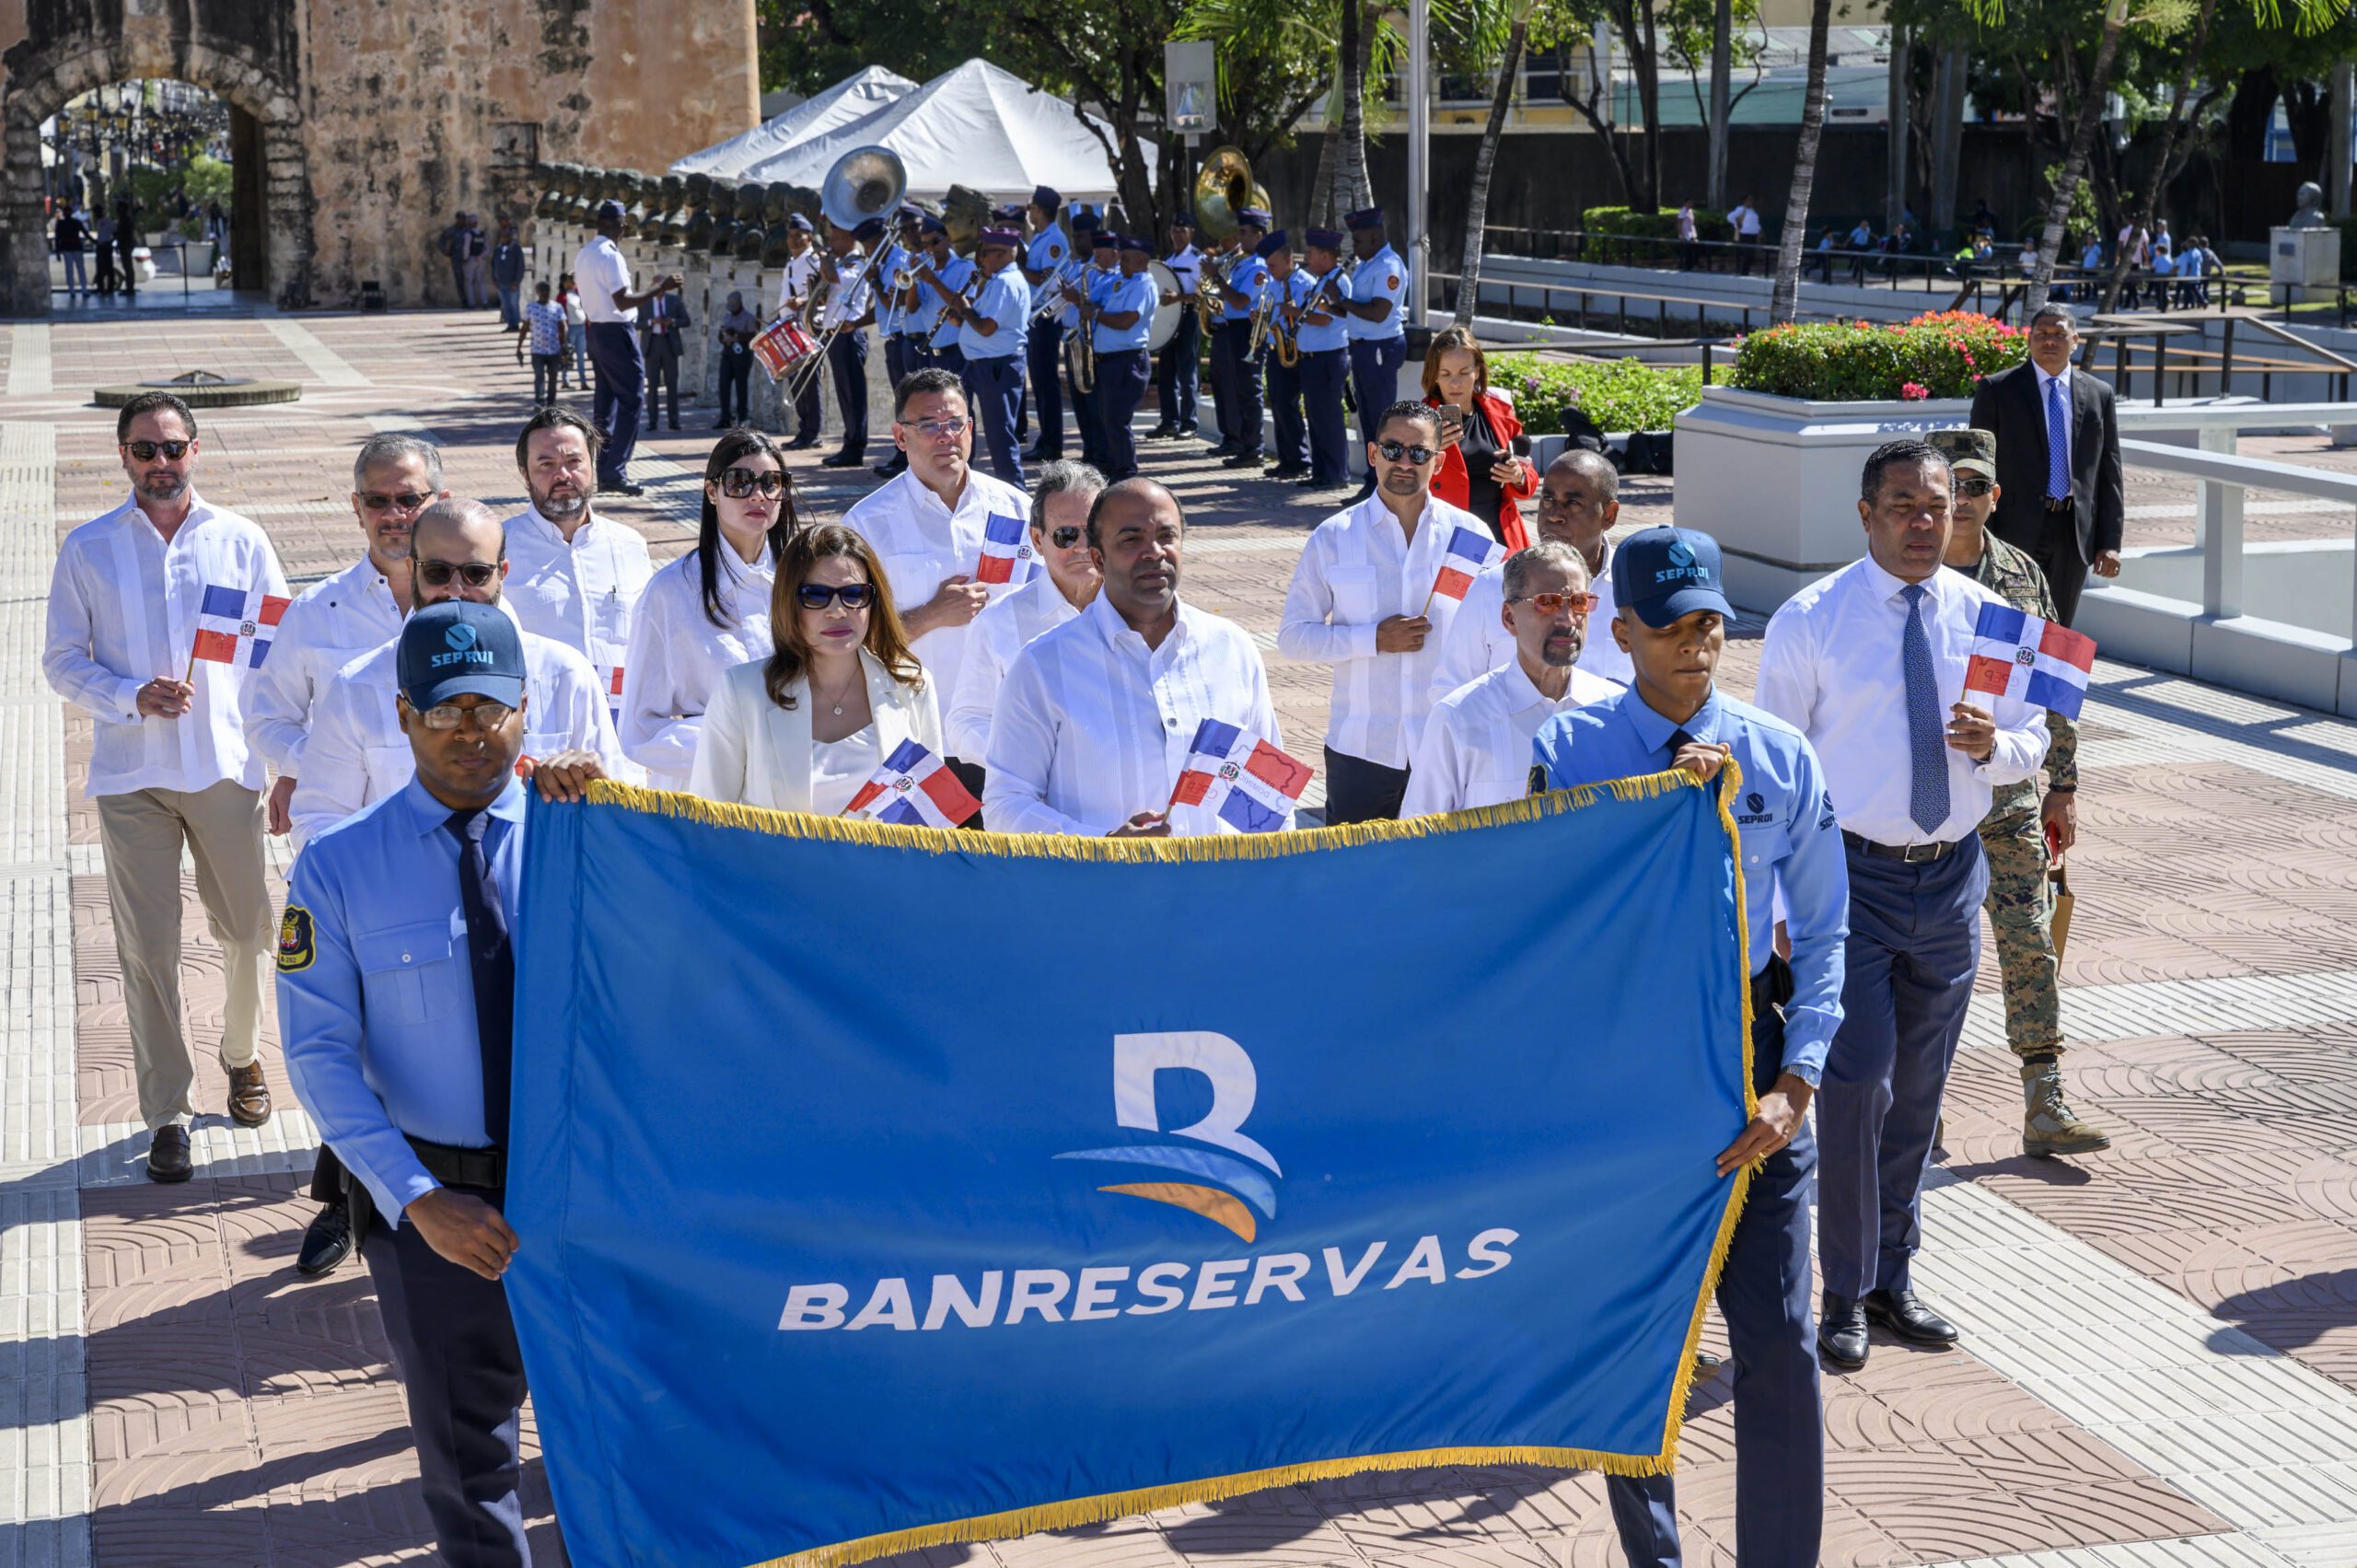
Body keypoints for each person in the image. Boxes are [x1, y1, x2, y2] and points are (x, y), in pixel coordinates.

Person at [1533, 524, 1847, 1568]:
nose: (1695, 641)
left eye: (1709, 619)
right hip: (1628, 1066)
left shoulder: (1779, 753)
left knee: (1779, 1341)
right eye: (1670, 624)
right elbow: (1551, 920)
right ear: (1619, 629)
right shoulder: (1568, 754)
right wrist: (1665, 805)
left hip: (1752, 1050)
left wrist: (1796, 1080)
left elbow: (1828, 928)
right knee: (1637, 1353)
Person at [278, 598, 609, 1568]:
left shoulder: (584, 835)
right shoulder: (337, 869)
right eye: (446, 705)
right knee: (472, 1470)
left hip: (585, 1192)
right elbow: (319, 1056)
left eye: (492, 705)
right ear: (403, 713)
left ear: (525, 711)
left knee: (617, 1438)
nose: (472, 727)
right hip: (439, 1210)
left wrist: (617, 810)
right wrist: (419, 1201)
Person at [1754, 438, 2050, 1372]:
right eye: (1903, 506)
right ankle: (1840, 1288)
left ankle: (1892, 1274)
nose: (1925, 523)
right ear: (1865, 514)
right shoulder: (1811, 619)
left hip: (1951, 871)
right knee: (1857, 1081)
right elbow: (1773, 770)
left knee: (1917, 1094)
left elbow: (2036, 734)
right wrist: (1772, 902)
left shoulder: (1992, 616)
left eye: (1940, 505)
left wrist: (1994, 745)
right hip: (1847, 880)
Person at [42, 390, 283, 1183]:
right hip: (133, 774)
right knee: (147, 951)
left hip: (223, 766)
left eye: (173, 448)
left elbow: (280, 646)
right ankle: (167, 1111)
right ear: (122, 457)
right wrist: (128, 694)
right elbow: (61, 659)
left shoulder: (241, 539)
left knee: (249, 932)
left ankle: (242, 1056)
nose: (161, 463)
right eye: (144, 450)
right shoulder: (88, 547)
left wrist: (282, 760)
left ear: (196, 450)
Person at [1928, 428, 2111, 1159]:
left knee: (2030, 943)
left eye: (1977, 488)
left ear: (1995, 497)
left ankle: (2045, 1098)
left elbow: (2056, 688)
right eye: (1954, 489)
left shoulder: (2024, 576)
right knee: (1932, 960)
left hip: (2006, 800)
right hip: (1930, 807)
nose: (1965, 502)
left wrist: (2062, 785)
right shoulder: (1904, 578)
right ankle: (1919, 1101)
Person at [290, 498, 623, 847]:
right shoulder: (356, 685)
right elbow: (318, 819)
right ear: (411, 569)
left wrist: (594, 787)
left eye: (476, 573)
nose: (455, 589)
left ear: (502, 573)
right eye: (437, 572)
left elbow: (621, 810)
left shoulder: (565, 673)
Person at [987, 478, 1286, 837]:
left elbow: (1269, 798)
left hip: (1220, 887)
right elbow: (1005, 804)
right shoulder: (1042, 666)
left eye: (1166, 536)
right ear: (1098, 558)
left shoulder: (1231, 649)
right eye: (1131, 540)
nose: (1154, 552)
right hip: (1104, 888)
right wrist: (1103, 846)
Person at [1279, 401, 1491, 824]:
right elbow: (1293, 638)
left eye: (1419, 453)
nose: (1405, 463)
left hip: (1448, 744)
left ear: (1439, 460)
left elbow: (1495, 635)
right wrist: (1373, 639)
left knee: (1444, 876)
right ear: (1374, 454)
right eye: (1393, 450)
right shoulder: (1334, 536)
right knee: (1354, 880)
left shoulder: (1469, 536)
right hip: (1363, 748)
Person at [842, 367, 1036, 800]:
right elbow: (843, 639)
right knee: (926, 861)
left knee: (1009, 860)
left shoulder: (1018, 510)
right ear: (899, 436)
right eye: (928, 425)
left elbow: (1051, 611)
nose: (945, 436)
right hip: (915, 739)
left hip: (1005, 737)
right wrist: (930, 615)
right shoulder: (867, 524)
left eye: (955, 424)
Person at [690, 525, 943, 813]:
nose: (837, 611)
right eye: (816, 595)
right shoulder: (741, 691)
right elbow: (707, 818)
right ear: (788, 602)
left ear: (873, 602)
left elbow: (929, 821)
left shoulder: (912, 684)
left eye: (854, 594)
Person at [621, 430, 795, 790]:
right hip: (704, 789)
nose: (757, 495)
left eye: (771, 483)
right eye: (739, 482)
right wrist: (736, 746)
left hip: (796, 783)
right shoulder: (669, 592)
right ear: (712, 491)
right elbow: (639, 728)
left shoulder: (803, 582)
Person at [1401, 541, 1619, 816]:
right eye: (1547, 603)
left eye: (1579, 602)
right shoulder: (1458, 719)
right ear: (1509, 618)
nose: (1567, 619)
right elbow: (1418, 837)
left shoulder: (1613, 711)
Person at [1427, 447, 1635, 701]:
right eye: (1548, 499)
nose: (1555, 515)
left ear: (1610, 515)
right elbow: (1450, 690)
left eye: (1573, 502)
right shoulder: (1493, 585)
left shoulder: (1636, 589)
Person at [1966, 306, 2123, 626]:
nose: (2049, 341)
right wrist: (1976, 531)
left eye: (2058, 334)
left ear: (2075, 340)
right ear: (2030, 340)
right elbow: (1978, 466)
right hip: (2013, 529)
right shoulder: (1998, 390)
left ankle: (2049, 679)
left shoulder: (2098, 394)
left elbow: (2110, 472)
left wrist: (2110, 543)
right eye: (2042, 335)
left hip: (2073, 532)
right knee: (2011, 623)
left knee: (2059, 629)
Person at [502, 406, 655, 720]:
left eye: (574, 462)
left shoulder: (629, 546)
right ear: (524, 473)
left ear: (592, 463)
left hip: (623, 725)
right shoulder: (499, 548)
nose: (563, 475)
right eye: (546, 464)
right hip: (539, 727)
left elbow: (651, 640)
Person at [946, 460, 1105, 762]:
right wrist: (1028, 756)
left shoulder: (1145, 613)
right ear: (1037, 540)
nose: (1083, 547)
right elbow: (965, 723)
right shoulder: (999, 621)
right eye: (1066, 535)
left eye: (1094, 533)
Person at [574, 199, 681, 497]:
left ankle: (604, 469)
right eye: (623, 223)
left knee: (605, 403)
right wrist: (661, 288)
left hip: (596, 329)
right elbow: (622, 301)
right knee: (633, 398)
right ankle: (614, 471)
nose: (623, 229)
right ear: (616, 224)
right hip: (616, 330)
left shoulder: (584, 254)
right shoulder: (610, 256)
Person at [1421, 325, 1538, 550]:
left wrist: (1518, 475)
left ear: (1477, 371)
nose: (1455, 383)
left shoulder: (1500, 412)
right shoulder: (1418, 420)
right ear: (1434, 375)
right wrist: (1428, 454)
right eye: (1445, 374)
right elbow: (1399, 480)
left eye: (1464, 373)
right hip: (1446, 537)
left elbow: (1529, 478)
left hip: (1501, 535)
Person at [945, 228, 1032, 487]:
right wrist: (961, 318)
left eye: (985, 254)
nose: (981, 260)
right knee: (972, 428)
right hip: (983, 364)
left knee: (1000, 436)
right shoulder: (998, 281)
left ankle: (1014, 493)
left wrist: (965, 309)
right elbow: (981, 324)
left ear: (1003, 253)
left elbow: (987, 327)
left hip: (997, 366)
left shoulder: (1006, 282)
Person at [1084, 234, 1159, 482]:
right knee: (1108, 419)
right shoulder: (1125, 282)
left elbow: (1127, 320)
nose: (1122, 263)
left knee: (1117, 421)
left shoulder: (1144, 285)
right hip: (1110, 361)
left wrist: (1095, 314)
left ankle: (1126, 473)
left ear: (1140, 260)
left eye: (1126, 259)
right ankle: (1113, 468)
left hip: (1127, 361)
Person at [1341, 208, 1410, 476]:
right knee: (1368, 421)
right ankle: (1373, 482)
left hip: (1380, 347)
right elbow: (1359, 309)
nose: (1355, 248)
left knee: (1381, 421)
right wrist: (1334, 305)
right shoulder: (1368, 264)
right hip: (1364, 347)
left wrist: (1343, 300)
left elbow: (1378, 312)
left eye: (1358, 241)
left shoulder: (1388, 266)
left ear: (1374, 235)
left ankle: (1383, 481)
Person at [1202, 208, 1272, 468]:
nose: (1239, 238)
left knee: (1249, 390)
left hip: (1247, 330)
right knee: (1238, 389)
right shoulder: (1243, 263)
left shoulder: (1258, 267)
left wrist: (1217, 277)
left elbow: (1241, 300)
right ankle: (1243, 445)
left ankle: (1253, 449)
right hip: (1234, 328)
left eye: (1244, 232)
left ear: (1259, 234)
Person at [1292, 228, 1355, 492]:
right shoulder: (1322, 280)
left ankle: (1337, 473)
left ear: (1326, 256)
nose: (1307, 256)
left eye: (1312, 252)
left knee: (1329, 417)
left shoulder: (1337, 282)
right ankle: (1321, 471)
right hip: (1313, 359)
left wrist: (1294, 312)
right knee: (1316, 417)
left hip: (1329, 358)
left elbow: (1326, 317)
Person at [817, 218, 878, 470]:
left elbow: (831, 276)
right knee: (844, 393)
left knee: (854, 394)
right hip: (835, 333)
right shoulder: (843, 262)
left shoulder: (857, 263)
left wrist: (824, 257)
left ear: (849, 239)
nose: (832, 243)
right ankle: (849, 443)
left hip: (850, 334)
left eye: (836, 238)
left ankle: (856, 446)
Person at [1019, 187, 1074, 463]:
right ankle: (1046, 439)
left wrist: (1020, 267)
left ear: (1039, 210)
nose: (1029, 212)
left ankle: (1052, 443)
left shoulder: (1054, 240)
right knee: (1040, 383)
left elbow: (1048, 279)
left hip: (1046, 318)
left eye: (1031, 207)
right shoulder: (1042, 237)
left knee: (1045, 383)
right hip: (1036, 318)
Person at [1065, 226, 1120, 470]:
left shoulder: (1117, 280)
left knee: (1100, 409)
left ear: (1114, 255)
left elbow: (1103, 307)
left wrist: (1077, 299)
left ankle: (1103, 457)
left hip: (1103, 349)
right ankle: (1091, 450)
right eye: (1095, 254)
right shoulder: (1095, 274)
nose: (1095, 259)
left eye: (1101, 254)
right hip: (1087, 345)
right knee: (1083, 403)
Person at [1260, 232, 1312, 481]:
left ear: (1288, 260)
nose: (1270, 271)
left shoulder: (1303, 283)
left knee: (1290, 407)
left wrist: (1293, 312)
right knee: (1279, 406)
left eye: (1273, 265)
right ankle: (1286, 459)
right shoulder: (1275, 284)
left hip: (1294, 352)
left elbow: (1306, 317)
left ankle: (1300, 460)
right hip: (1276, 350)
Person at [1147, 210, 1202, 441]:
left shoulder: (1198, 259)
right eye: (1174, 230)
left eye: (1182, 231)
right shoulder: (1168, 260)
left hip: (1188, 317)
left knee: (1187, 372)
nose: (1178, 235)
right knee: (1167, 372)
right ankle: (1169, 420)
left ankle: (1189, 422)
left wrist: (1178, 298)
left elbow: (1201, 296)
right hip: (1169, 319)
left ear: (1191, 233)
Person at [776, 214, 826, 449]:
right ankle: (804, 429)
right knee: (797, 382)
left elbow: (825, 291)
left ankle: (812, 431)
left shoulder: (813, 260)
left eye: (799, 236)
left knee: (808, 381)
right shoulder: (792, 261)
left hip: (806, 326)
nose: (794, 240)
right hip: (790, 329)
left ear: (810, 237)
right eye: (790, 236)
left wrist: (802, 301)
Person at [908, 216, 974, 378]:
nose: (930, 249)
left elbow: (964, 306)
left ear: (948, 239)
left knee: (961, 403)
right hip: (932, 351)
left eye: (935, 242)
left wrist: (933, 281)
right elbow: (911, 308)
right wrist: (913, 280)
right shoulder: (924, 269)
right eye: (925, 245)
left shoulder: (965, 267)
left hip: (958, 350)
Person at [640, 285, 690, 433]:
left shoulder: (674, 301)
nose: (660, 289)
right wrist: (651, 322)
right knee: (652, 385)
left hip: (669, 344)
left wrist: (672, 321)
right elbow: (637, 323)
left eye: (663, 285)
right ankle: (652, 421)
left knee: (672, 385)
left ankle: (674, 421)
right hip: (652, 345)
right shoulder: (645, 302)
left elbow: (686, 320)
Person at [713, 289, 760, 427]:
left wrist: (737, 336)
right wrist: (724, 337)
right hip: (728, 352)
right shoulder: (727, 317)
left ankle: (741, 417)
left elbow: (752, 337)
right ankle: (725, 417)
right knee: (723, 385)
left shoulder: (748, 318)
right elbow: (720, 336)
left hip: (743, 354)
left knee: (741, 386)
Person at [518, 281, 567, 404]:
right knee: (539, 376)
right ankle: (539, 401)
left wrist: (564, 346)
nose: (545, 293)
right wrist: (519, 347)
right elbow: (524, 328)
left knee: (553, 377)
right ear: (537, 292)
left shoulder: (557, 307)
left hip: (554, 349)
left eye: (547, 291)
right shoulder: (531, 308)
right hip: (537, 349)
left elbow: (563, 327)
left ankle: (551, 402)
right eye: (542, 291)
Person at [491, 219, 527, 332]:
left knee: (514, 304)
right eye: (502, 236)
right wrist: (494, 279)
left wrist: (516, 282)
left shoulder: (516, 249)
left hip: (513, 284)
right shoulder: (498, 249)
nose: (504, 238)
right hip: (501, 283)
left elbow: (520, 266)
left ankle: (516, 324)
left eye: (506, 236)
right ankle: (510, 324)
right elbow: (493, 265)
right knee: (506, 305)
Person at [557, 272, 587, 389]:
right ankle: (565, 380)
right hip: (570, 328)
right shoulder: (562, 297)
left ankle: (583, 381)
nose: (573, 282)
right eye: (570, 280)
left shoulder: (578, 292)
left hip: (581, 326)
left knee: (581, 355)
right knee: (567, 354)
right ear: (565, 283)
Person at [54, 203, 87, 299]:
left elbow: (57, 238)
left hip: (67, 248)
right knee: (79, 269)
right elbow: (85, 233)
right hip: (75, 247)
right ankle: (83, 290)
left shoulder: (61, 223)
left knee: (70, 270)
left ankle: (73, 290)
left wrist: (58, 252)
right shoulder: (75, 222)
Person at [1729, 195, 1762, 275]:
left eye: (1752, 200)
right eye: (1749, 200)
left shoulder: (1752, 211)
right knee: (1747, 253)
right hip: (1745, 234)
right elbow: (1730, 217)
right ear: (1745, 201)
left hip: (1753, 235)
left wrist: (1759, 231)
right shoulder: (1740, 209)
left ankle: (1746, 271)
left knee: (1751, 254)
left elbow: (1755, 222)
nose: (1751, 202)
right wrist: (1737, 225)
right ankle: (1743, 271)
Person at [1676, 201, 1700, 270]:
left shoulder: (1690, 211)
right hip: (1685, 236)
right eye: (1689, 203)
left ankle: (1690, 266)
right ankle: (1685, 267)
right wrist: (1681, 235)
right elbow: (1679, 223)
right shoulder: (1682, 212)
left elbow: (1692, 224)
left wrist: (1694, 236)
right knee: (1687, 253)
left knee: (1695, 251)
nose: (1691, 204)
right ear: (1685, 203)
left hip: (1691, 236)